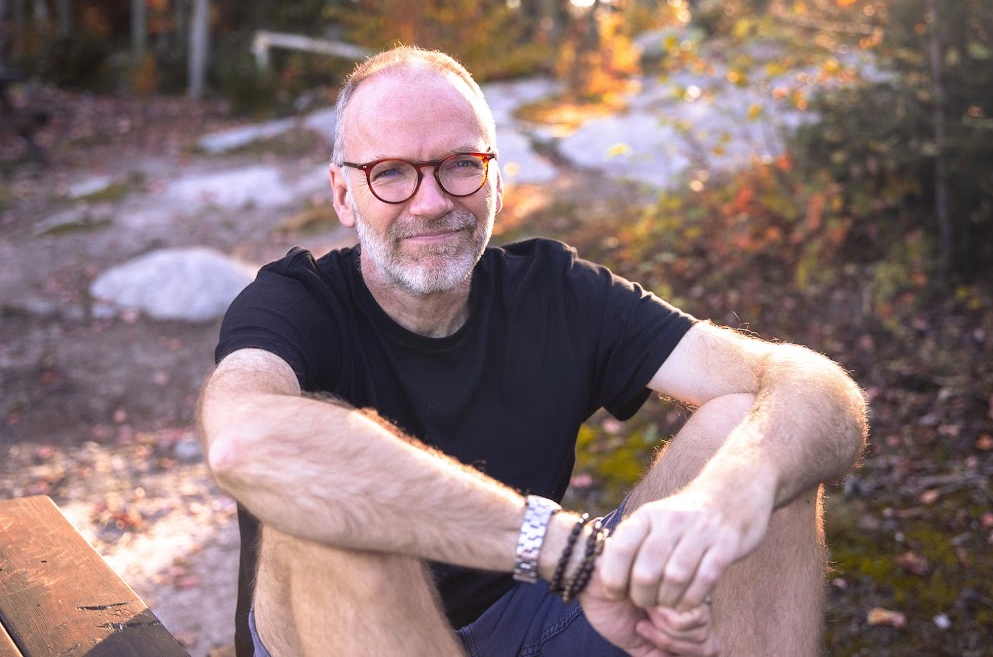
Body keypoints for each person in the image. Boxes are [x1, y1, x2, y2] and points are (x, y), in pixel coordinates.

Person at [197, 46, 868, 657]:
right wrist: (566, 550)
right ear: (343, 194)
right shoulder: (297, 302)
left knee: (753, 431)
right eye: (392, 173)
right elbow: (242, 441)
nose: (431, 203)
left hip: (534, 618)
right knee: (332, 521)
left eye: (461, 164)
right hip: (343, 631)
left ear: (495, 178)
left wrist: (738, 490)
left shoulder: (553, 290)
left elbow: (814, 387)